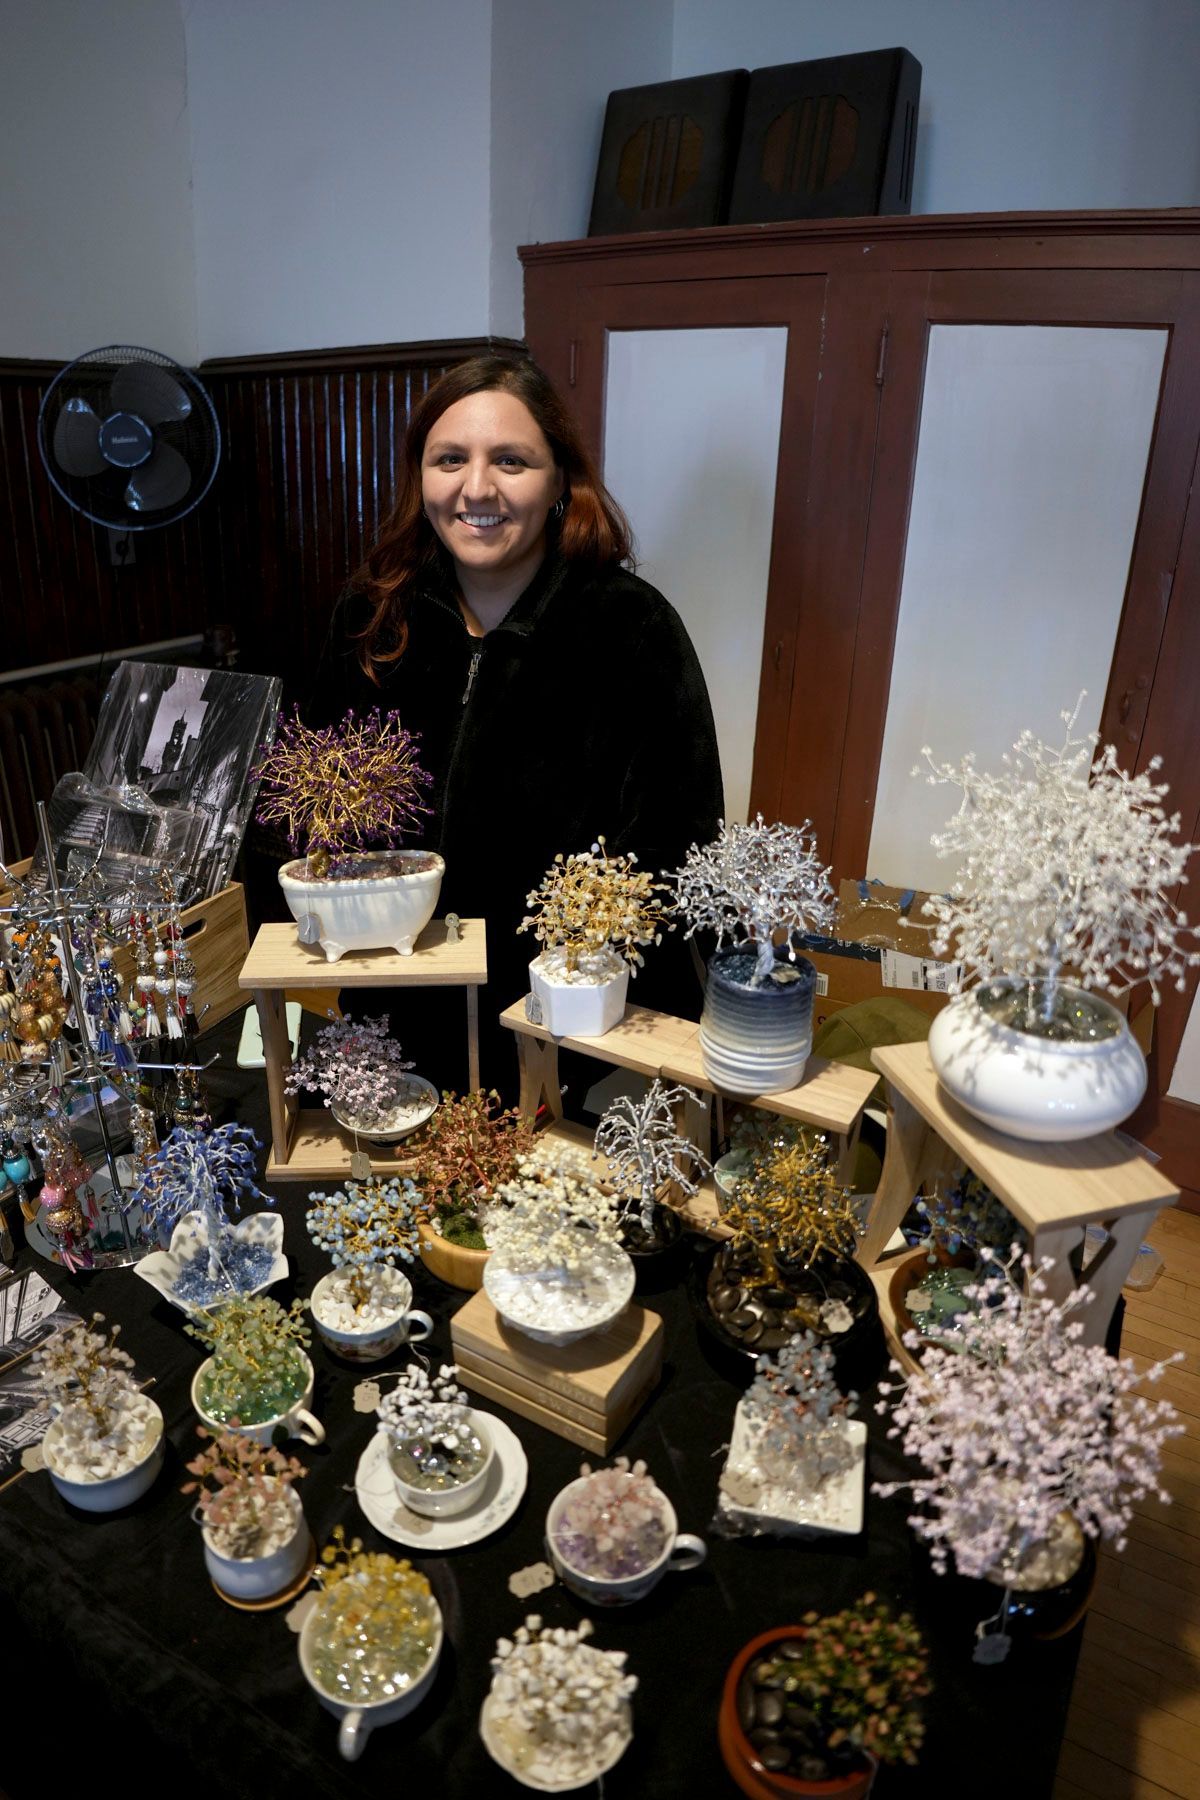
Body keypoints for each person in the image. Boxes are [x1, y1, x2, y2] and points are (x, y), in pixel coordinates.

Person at [311, 354, 723, 1095]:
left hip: (567, 1039)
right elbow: (315, 816)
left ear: (562, 478)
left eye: (511, 461)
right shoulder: (371, 619)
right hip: (393, 1028)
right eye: (450, 459)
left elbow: (677, 845)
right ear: (420, 477)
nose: (477, 489)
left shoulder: (632, 629)